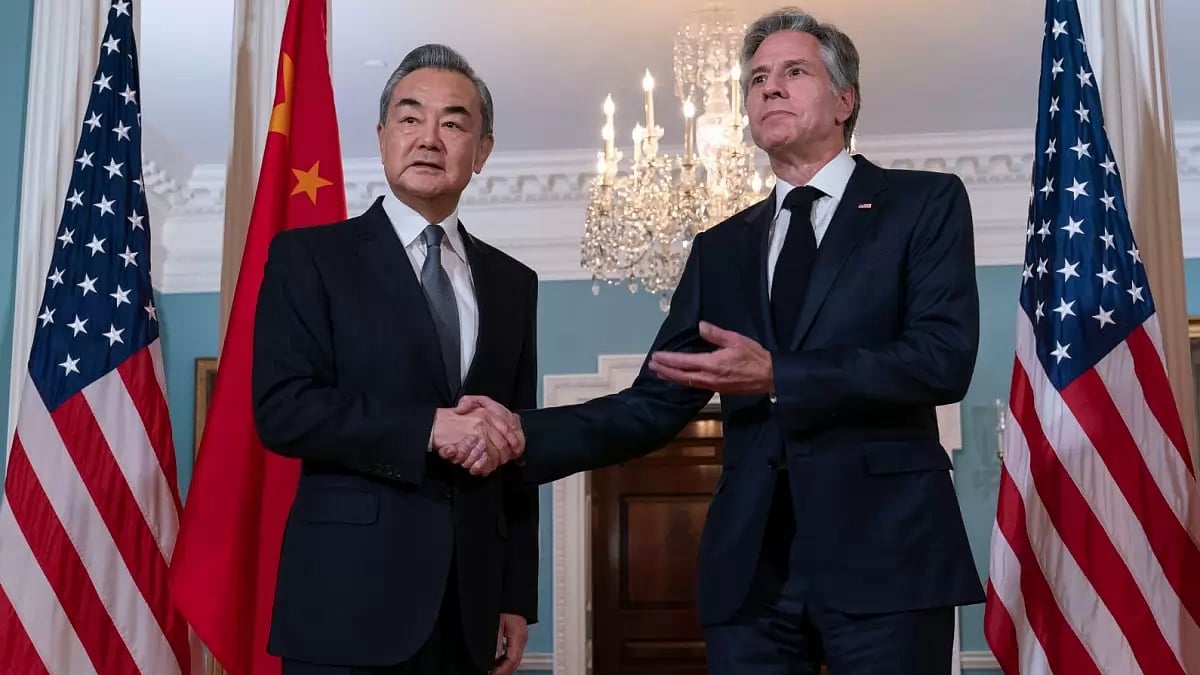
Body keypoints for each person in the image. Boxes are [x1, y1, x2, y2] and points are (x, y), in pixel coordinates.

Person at [447, 7, 984, 674]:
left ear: (845, 99)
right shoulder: (721, 248)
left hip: (889, 562)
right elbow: (653, 401)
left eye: (794, 71)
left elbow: (941, 359)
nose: (770, 88)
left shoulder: (921, 205)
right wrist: (526, 434)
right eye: (757, 78)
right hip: (752, 576)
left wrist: (779, 374)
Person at [251, 43, 536, 675]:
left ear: (482, 151)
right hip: (345, 603)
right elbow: (283, 410)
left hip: (470, 609)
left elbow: (517, 448)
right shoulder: (310, 259)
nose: (430, 138)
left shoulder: (515, 283)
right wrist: (428, 428)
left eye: (454, 122)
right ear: (383, 138)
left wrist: (516, 596)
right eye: (411, 118)